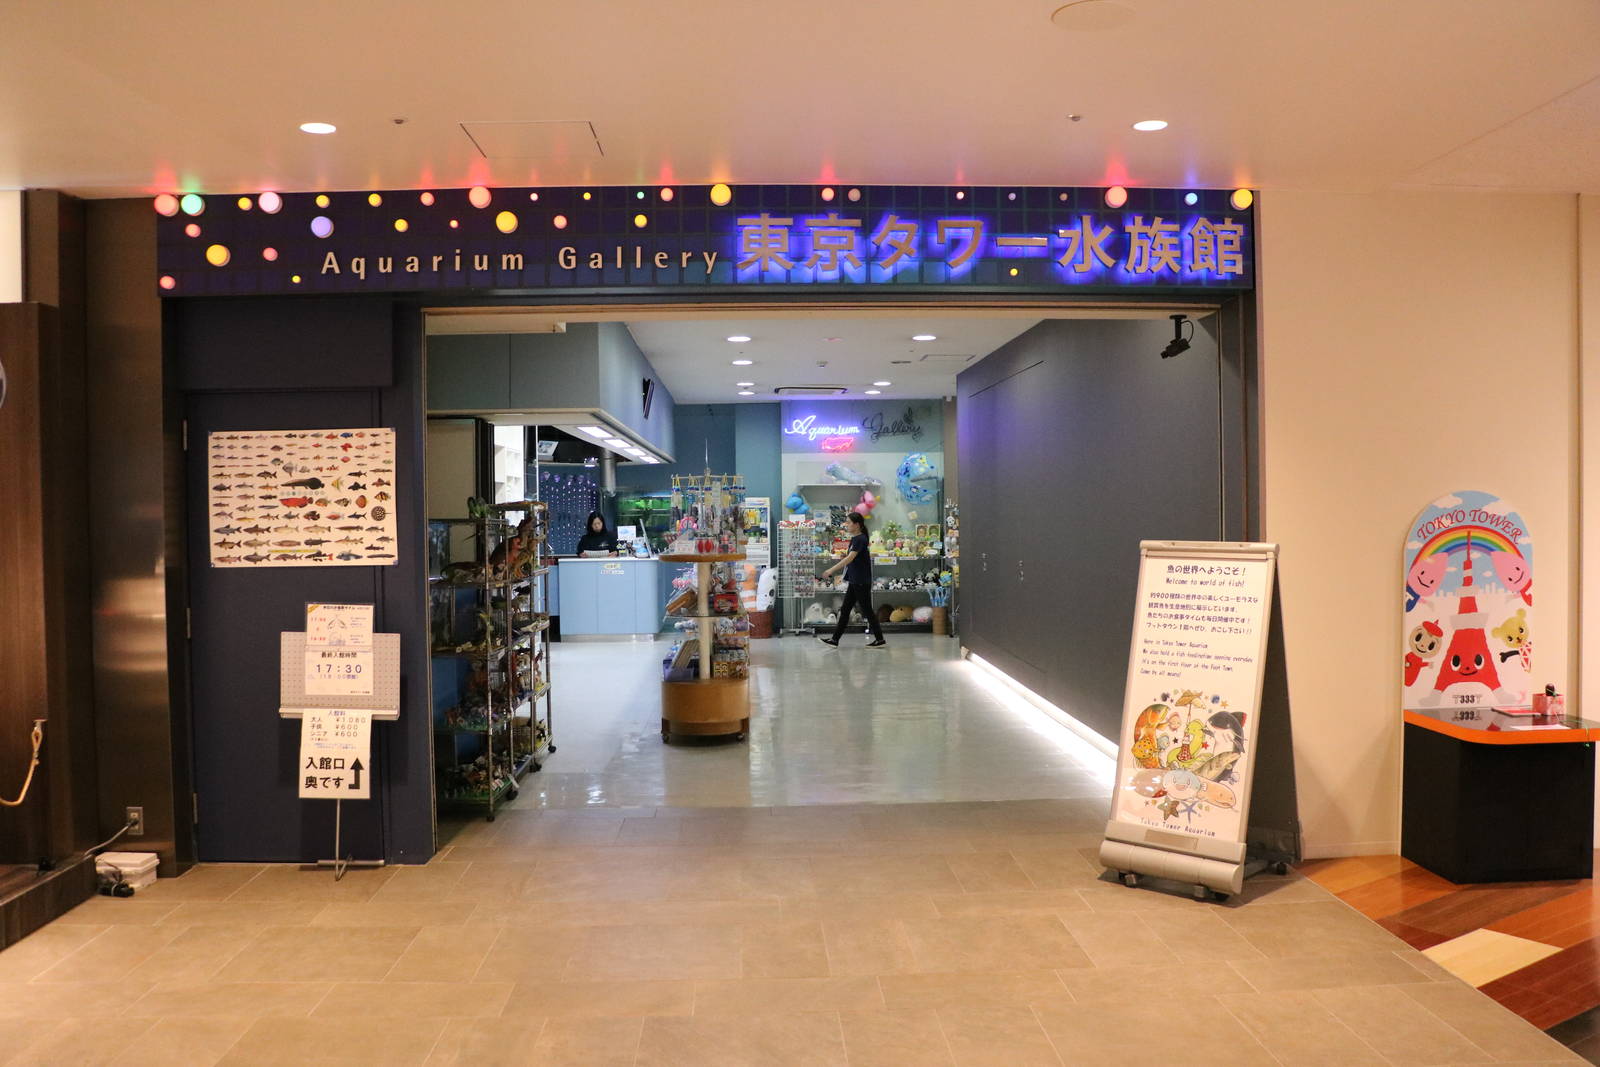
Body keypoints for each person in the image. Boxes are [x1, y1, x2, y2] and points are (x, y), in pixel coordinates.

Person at [819, 512, 886, 648]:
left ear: (857, 525)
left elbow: (850, 558)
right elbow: (852, 557)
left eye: (849, 522)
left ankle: (879, 639)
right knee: (846, 610)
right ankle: (835, 639)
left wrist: (831, 570)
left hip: (860, 581)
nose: (847, 525)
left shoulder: (860, 539)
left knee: (867, 610)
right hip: (856, 580)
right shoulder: (856, 539)